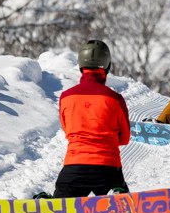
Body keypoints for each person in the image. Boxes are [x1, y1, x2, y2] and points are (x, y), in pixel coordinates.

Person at [51, 39, 131, 198]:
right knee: (122, 206)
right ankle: (118, 193)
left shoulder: (66, 97)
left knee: (58, 206)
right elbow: (125, 137)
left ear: (81, 65)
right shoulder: (114, 98)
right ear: (107, 65)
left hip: (74, 167)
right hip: (107, 168)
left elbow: (68, 130)